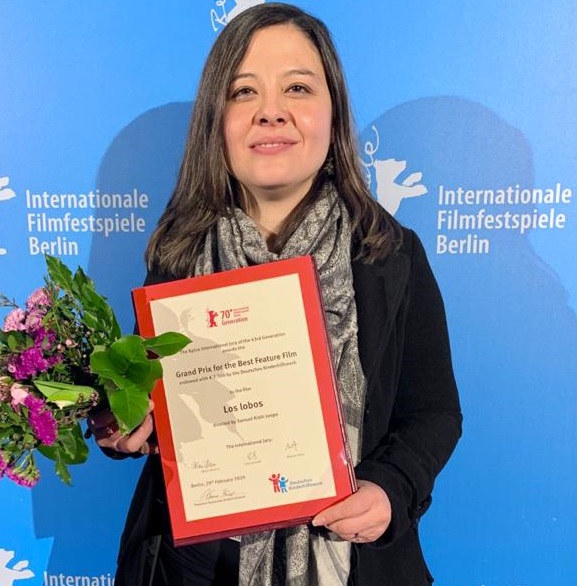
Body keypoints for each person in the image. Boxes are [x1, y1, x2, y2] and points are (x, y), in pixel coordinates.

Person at [89, 3, 462, 585]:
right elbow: (149, 402)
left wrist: (392, 490)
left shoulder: (389, 253)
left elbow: (434, 413)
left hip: (349, 561)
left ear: (333, 113)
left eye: (297, 87)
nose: (271, 112)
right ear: (217, 120)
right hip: (194, 567)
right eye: (243, 92)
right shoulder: (178, 252)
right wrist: (122, 420)